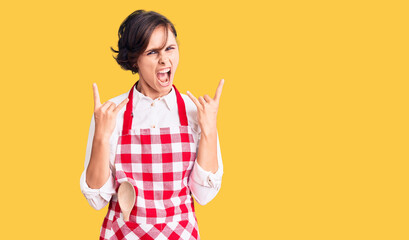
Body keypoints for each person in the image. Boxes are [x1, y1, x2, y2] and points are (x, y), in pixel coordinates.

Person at [79, 9, 224, 240]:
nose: (164, 59)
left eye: (169, 48)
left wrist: (209, 131)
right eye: (152, 52)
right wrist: (100, 136)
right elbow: (97, 200)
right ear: (135, 59)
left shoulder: (196, 112)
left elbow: (204, 195)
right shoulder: (110, 113)